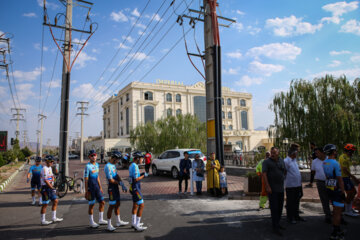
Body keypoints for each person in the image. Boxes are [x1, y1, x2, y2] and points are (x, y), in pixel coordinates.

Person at [323, 144, 345, 239]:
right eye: (335, 150)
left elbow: (327, 176)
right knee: (337, 212)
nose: (336, 152)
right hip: (336, 189)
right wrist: (343, 192)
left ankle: (337, 229)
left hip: (329, 188)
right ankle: (335, 233)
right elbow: (340, 179)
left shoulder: (324, 162)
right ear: (333, 152)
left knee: (335, 210)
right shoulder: (335, 163)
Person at [262, 147, 286, 236]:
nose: (272, 154)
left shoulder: (281, 161)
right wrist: (267, 186)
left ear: (278, 153)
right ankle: (275, 227)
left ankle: (278, 223)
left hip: (280, 189)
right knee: (274, 208)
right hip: (272, 190)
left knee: (280, 207)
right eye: (272, 152)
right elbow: (264, 174)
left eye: (274, 152)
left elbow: (284, 171)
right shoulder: (266, 162)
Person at [104, 151, 129, 232]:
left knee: (118, 204)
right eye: (117, 159)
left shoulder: (113, 165)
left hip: (115, 187)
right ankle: (108, 225)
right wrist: (120, 183)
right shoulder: (107, 166)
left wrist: (122, 183)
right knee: (111, 206)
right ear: (114, 158)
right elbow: (111, 180)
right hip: (111, 188)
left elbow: (116, 175)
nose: (118, 161)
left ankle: (118, 221)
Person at [306, 147, 332, 223]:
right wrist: (311, 181)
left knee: (334, 198)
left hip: (331, 182)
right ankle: (328, 215)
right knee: (324, 199)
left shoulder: (330, 159)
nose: (316, 155)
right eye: (315, 153)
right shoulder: (314, 161)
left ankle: (338, 215)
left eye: (317, 153)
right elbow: (313, 172)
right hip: (320, 183)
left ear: (322, 152)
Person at [84, 150, 107, 228]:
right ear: (89, 157)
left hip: (97, 187)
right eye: (92, 155)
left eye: (94, 155)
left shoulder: (97, 165)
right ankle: (91, 222)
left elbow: (97, 177)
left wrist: (100, 187)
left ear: (96, 156)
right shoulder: (87, 166)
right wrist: (86, 191)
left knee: (102, 202)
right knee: (92, 205)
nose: (93, 157)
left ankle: (101, 219)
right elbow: (86, 179)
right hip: (91, 188)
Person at [40, 157, 63, 225]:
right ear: (47, 161)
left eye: (52, 161)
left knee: (55, 200)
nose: (52, 162)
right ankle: (43, 220)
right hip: (45, 188)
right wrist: (52, 188)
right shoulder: (44, 169)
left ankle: (54, 217)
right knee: (45, 204)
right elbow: (45, 180)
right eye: (51, 161)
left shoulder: (50, 168)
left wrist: (53, 180)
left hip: (50, 187)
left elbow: (52, 175)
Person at [284, 147, 305, 224]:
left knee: (296, 201)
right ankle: (290, 217)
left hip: (297, 185)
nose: (297, 154)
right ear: (292, 153)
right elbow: (284, 172)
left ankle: (296, 216)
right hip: (290, 185)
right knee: (290, 202)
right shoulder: (286, 161)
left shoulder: (294, 161)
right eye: (296, 153)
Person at [129, 152, 148, 231]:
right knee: (141, 205)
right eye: (141, 158)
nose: (142, 160)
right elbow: (136, 179)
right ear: (137, 158)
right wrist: (143, 175)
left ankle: (134, 222)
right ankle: (137, 225)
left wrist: (141, 174)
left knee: (135, 205)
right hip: (135, 187)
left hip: (133, 187)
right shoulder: (135, 166)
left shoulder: (132, 165)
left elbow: (134, 176)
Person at [339, 143, 359, 217]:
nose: (353, 153)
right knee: (351, 193)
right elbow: (345, 170)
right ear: (349, 151)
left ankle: (349, 209)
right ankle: (348, 210)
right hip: (344, 178)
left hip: (346, 178)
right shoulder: (343, 158)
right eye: (352, 152)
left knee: (353, 192)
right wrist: (354, 177)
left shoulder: (346, 157)